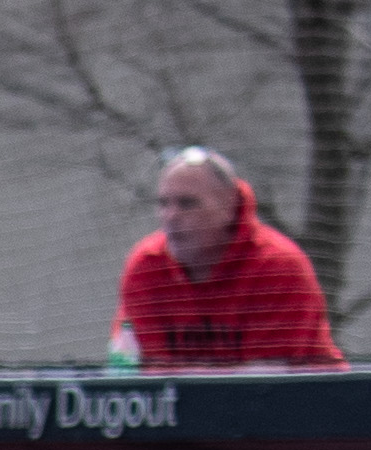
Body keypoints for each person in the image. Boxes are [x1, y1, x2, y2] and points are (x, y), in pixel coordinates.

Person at [108, 147, 343, 371]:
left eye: (187, 204)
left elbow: (266, 387)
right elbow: (143, 375)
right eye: (163, 203)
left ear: (229, 205)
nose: (171, 216)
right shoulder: (146, 267)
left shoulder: (277, 267)